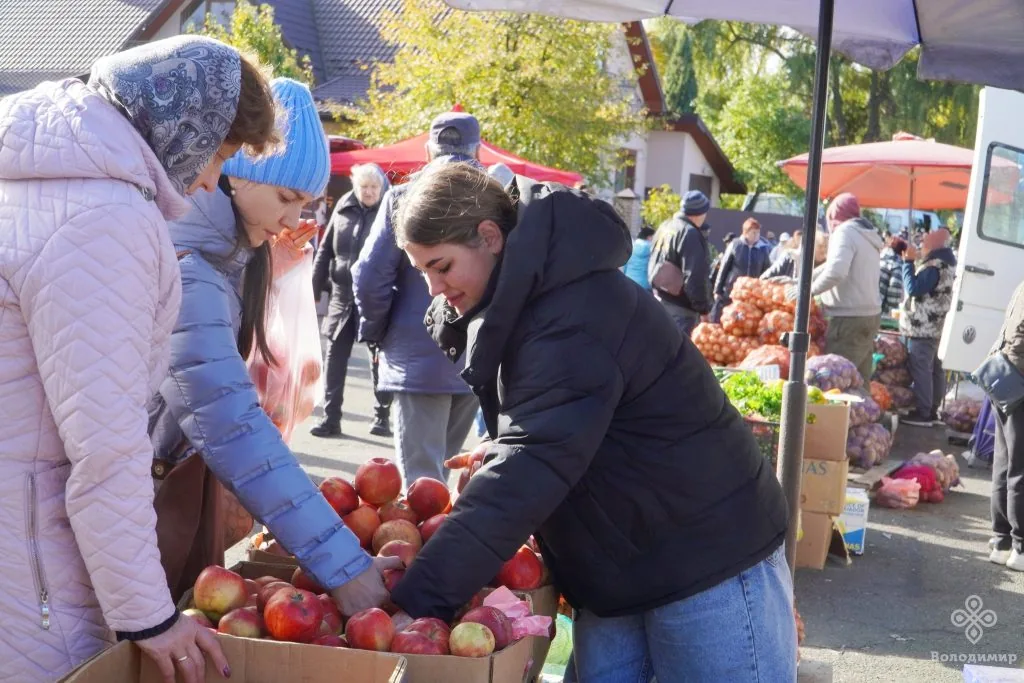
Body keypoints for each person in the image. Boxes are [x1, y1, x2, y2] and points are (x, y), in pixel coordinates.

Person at [389, 162, 795, 681]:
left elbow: (531, 463)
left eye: (441, 266)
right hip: (621, 567)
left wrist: (421, 599)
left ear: (489, 237)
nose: (432, 287)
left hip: (706, 558)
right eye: (421, 270)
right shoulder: (527, 298)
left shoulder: (569, 310)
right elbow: (556, 428)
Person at [0, 36, 280, 683]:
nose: (213, 180)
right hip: (30, 557)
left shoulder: (34, 183)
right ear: (186, 125)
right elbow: (106, 446)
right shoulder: (104, 218)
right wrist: (148, 615)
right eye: (222, 153)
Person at [149, 77, 398, 624]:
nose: (294, 220)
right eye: (286, 198)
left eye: (306, 203)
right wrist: (343, 566)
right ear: (234, 172)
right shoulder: (190, 272)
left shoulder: (221, 260)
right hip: (137, 517)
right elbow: (232, 425)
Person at [353, 112, 481, 487]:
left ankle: (430, 547)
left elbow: (369, 274)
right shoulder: (496, 200)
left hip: (417, 355)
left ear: (428, 151)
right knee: (442, 475)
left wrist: (377, 329)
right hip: (479, 353)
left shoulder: (402, 197)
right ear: (478, 150)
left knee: (422, 484)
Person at [311, 163, 393, 437]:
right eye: (364, 187)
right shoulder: (343, 208)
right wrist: (313, 290)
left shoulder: (389, 212)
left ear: (381, 188)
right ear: (355, 188)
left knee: (377, 357)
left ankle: (382, 417)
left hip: (374, 295)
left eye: (374, 187)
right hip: (342, 294)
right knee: (334, 357)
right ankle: (330, 417)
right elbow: (325, 251)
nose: (369, 192)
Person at [806, 193, 884, 381]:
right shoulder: (866, 234)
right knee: (860, 382)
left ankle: (841, 413)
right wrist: (808, 277)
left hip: (848, 319)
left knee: (836, 381)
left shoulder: (844, 232)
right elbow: (836, 264)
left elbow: (837, 271)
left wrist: (808, 291)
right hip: (869, 316)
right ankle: (867, 411)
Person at [898, 229, 957, 427]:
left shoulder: (934, 266)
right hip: (937, 327)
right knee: (935, 370)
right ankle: (932, 409)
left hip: (924, 327)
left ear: (933, 246)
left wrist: (907, 263)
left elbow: (914, 288)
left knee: (921, 368)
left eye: (924, 242)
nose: (921, 244)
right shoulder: (948, 264)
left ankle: (924, 412)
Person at [988, 279, 1024, 570]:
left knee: (1004, 464)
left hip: (1005, 375)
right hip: (1019, 379)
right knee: (1019, 469)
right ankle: (1020, 548)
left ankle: (1002, 542)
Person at [648, 190, 714, 336]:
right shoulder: (689, 233)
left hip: (659, 298)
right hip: (681, 308)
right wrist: (703, 309)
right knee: (678, 355)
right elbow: (694, 276)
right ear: (700, 213)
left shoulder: (665, 226)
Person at [713, 217, 771, 320]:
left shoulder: (763, 249)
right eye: (753, 232)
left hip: (752, 293)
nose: (756, 235)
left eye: (758, 232)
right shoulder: (735, 245)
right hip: (732, 290)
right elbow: (724, 267)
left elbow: (767, 271)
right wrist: (717, 290)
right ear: (746, 232)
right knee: (729, 318)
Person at [879, 234, 906, 316]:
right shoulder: (897, 263)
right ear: (903, 253)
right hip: (877, 310)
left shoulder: (879, 256)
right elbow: (894, 288)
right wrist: (891, 311)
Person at [623, 226, 656, 290]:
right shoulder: (652, 249)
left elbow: (625, 266)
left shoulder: (631, 247)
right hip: (645, 286)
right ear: (649, 237)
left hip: (629, 282)